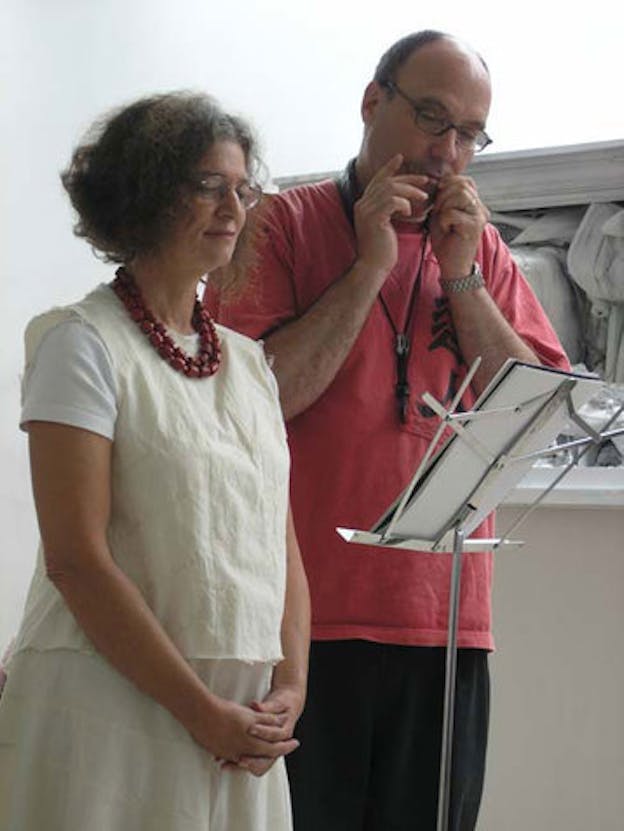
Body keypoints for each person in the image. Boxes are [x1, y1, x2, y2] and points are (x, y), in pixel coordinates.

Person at [206, 31, 570, 831]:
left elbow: (539, 416)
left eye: (470, 134)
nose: (448, 151)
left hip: (446, 623)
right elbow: (246, 402)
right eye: (431, 118)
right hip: (299, 627)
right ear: (373, 103)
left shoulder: (483, 250)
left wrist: (465, 276)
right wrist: (369, 264)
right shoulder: (275, 225)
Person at [0, 91, 310, 831]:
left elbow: (281, 543)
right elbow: (77, 558)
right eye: (207, 184)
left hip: (240, 726)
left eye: (242, 187)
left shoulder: (248, 364)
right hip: (108, 708)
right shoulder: (81, 343)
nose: (233, 204)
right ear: (143, 192)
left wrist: (291, 686)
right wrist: (200, 712)